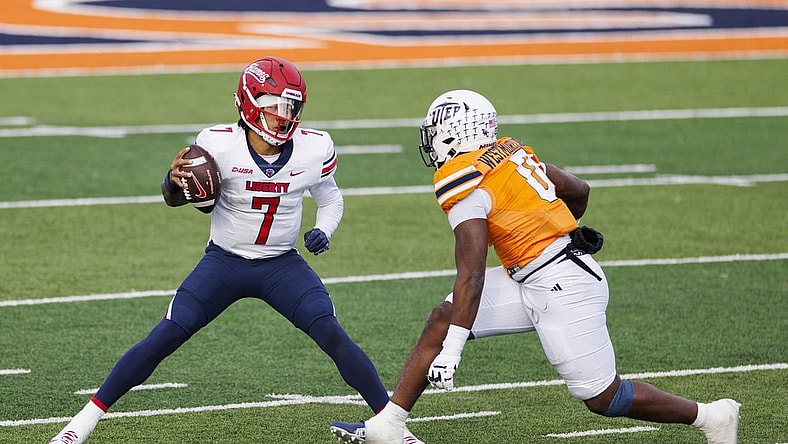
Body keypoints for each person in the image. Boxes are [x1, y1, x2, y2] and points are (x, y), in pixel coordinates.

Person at [330, 89, 741, 444]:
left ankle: (711, 416)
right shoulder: (509, 152)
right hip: (536, 272)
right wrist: (561, 226)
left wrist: (453, 351)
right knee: (443, 316)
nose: (433, 142)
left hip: (563, 284)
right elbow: (579, 190)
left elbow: (471, 272)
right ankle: (390, 423)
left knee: (603, 397)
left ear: (454, 131)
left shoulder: (463, 177)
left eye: (435, 132)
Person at [49, 57, 422, 444]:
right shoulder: (216, 143)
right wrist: (173, 183)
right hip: (224, 262)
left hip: (281, 265)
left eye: (290, 107)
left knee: (332, 333)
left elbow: (331, 199)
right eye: (275, 105)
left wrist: (323, 230)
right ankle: (80, 425)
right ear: (248, 104)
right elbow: (177, 199)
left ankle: (391, 427)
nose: (284, 116)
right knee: (163, 337)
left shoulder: (315, 147)